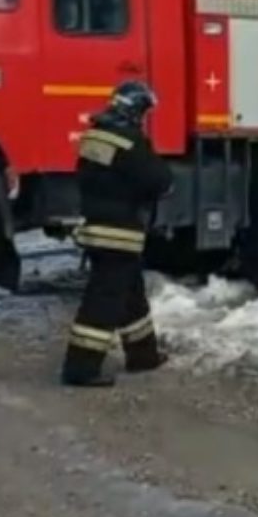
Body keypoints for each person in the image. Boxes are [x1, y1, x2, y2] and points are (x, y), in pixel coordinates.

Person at [62, 80, 174, 388]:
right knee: (104, 300)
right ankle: (81, 368)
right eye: (144, 112)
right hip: (120, 233)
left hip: (97, 228)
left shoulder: (94, 135)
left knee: (131, 294)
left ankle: (143, 355)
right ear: (135, 110)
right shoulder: (129, 142)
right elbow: (159, 180)